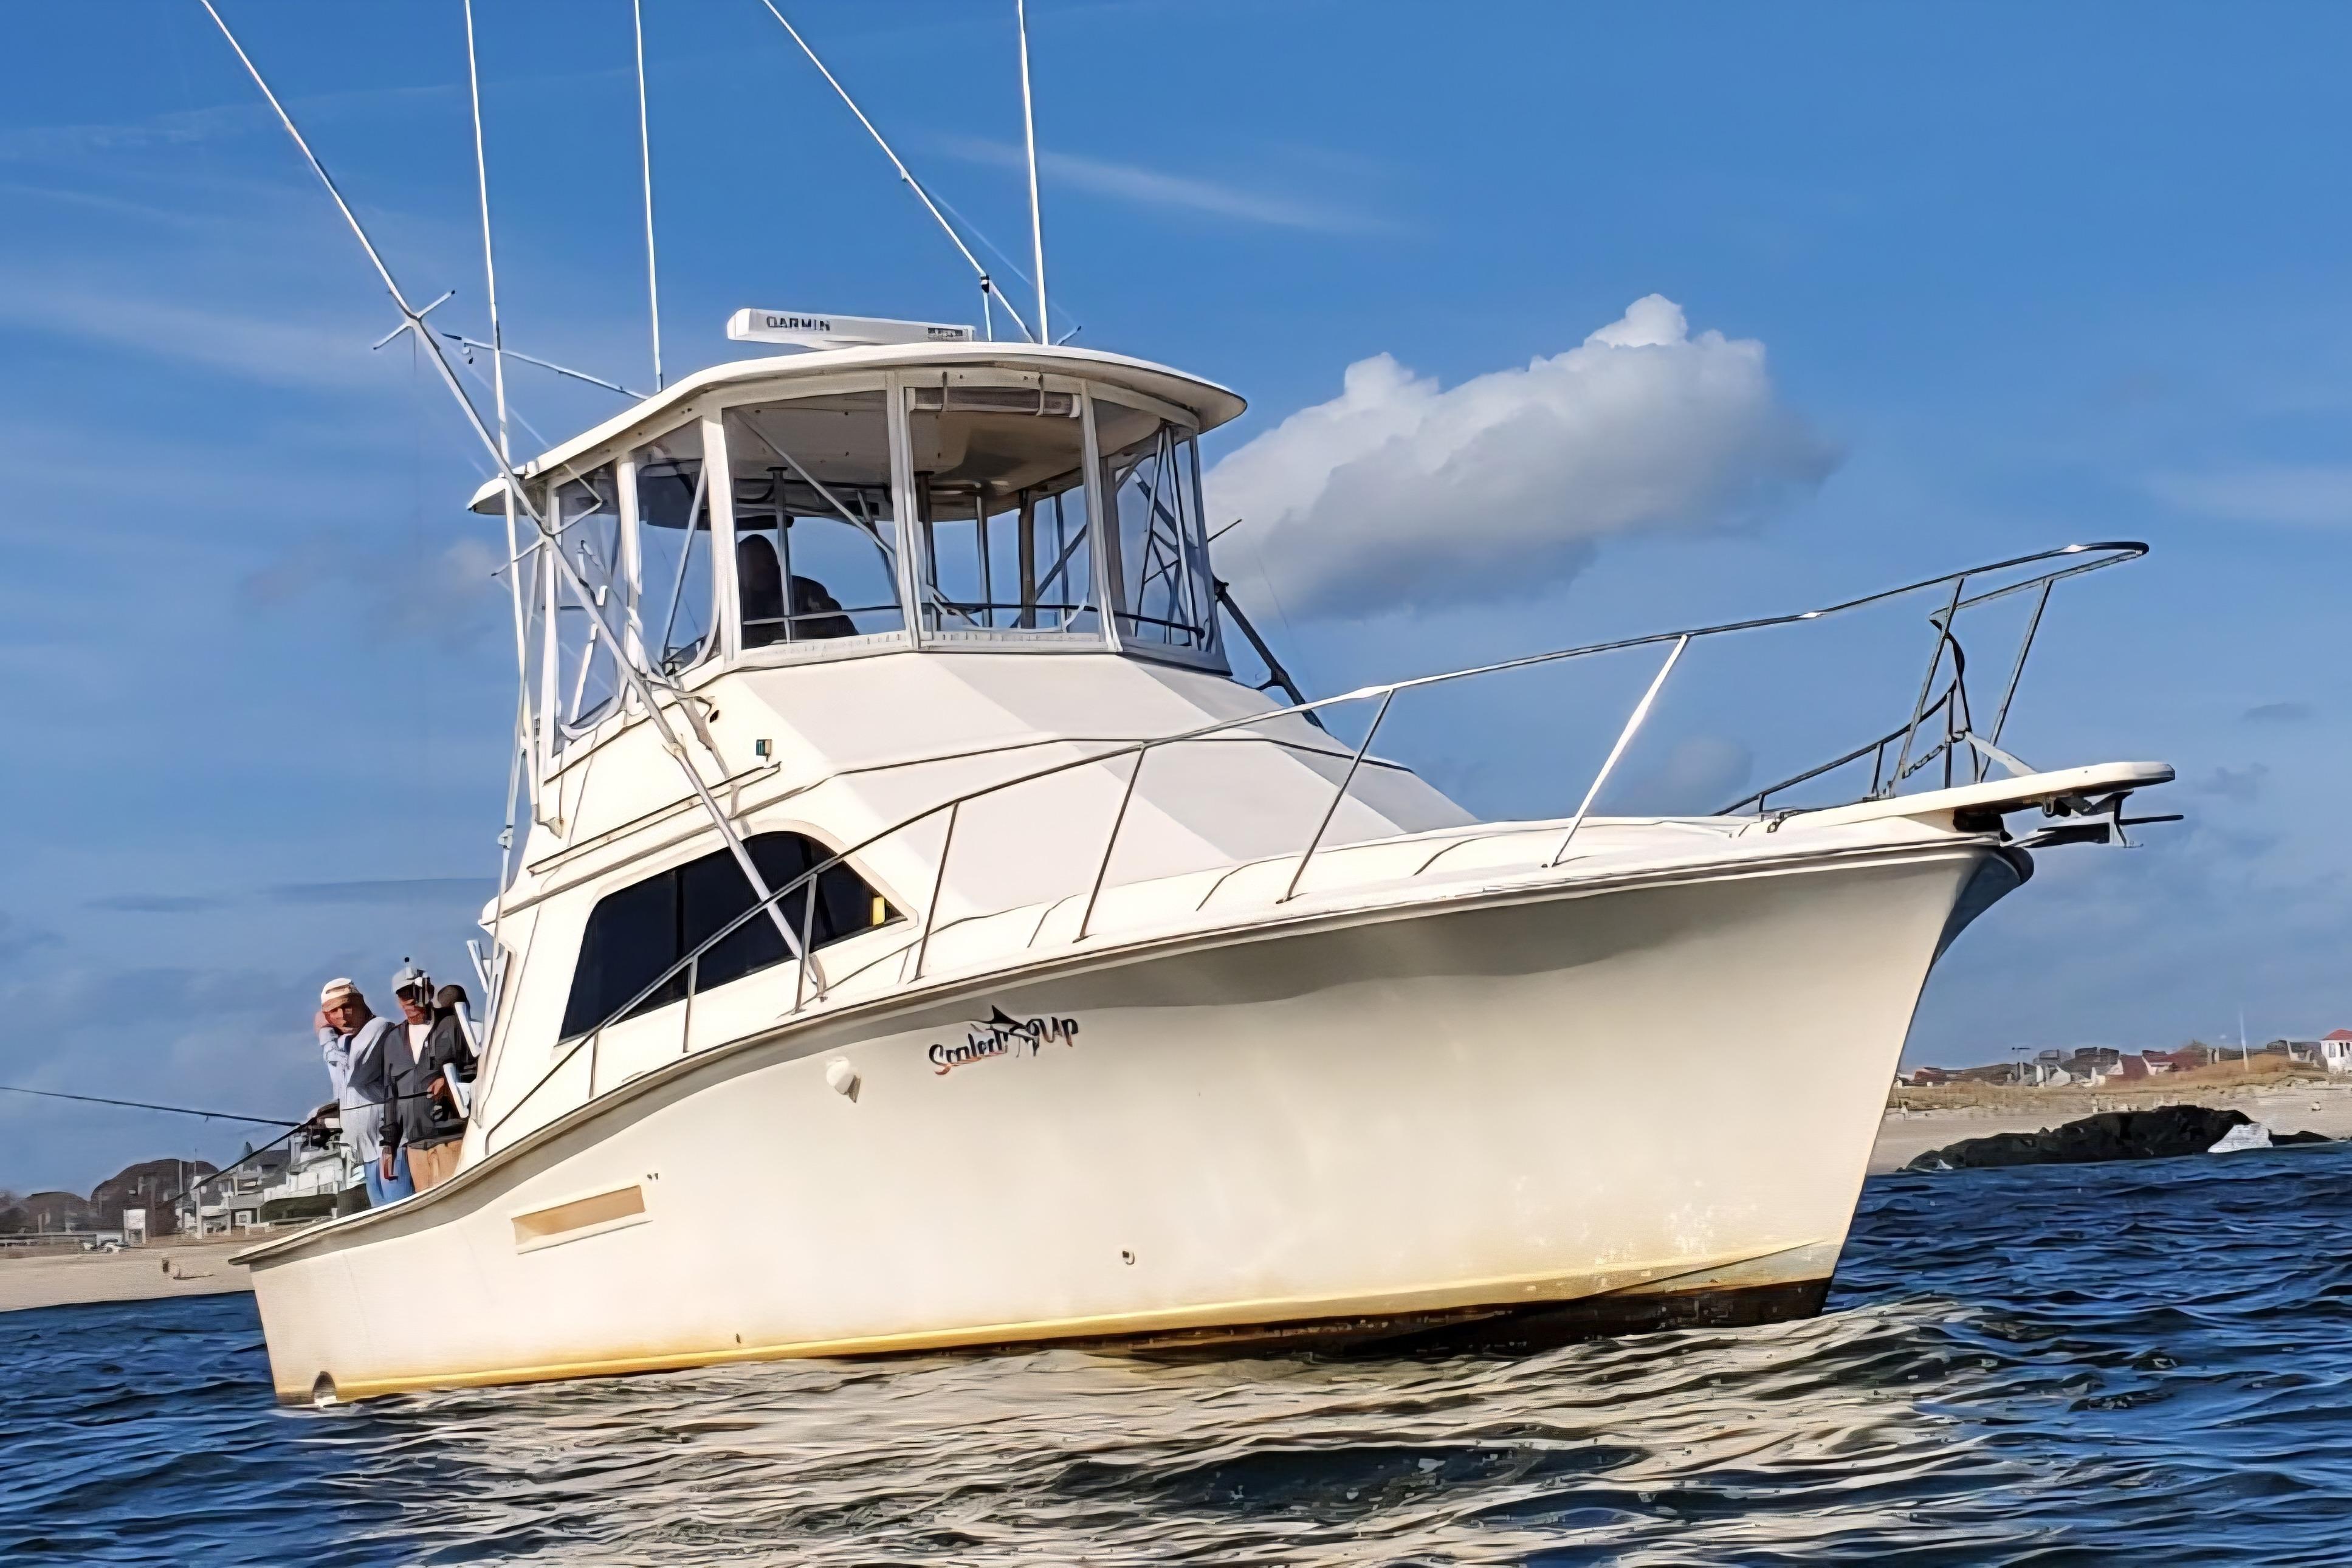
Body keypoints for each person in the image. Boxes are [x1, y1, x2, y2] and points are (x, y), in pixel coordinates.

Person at [317, 978, 412, 1208]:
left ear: (361, 1004)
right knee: (380, 1212)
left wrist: (327, 1041)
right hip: (364, 1151)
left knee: (399, 1208)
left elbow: (355, 1075)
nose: (342, 1015)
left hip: (391, 1143)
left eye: (348, 1006)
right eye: (333, 1011)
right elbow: (340, 1092)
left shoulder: (379, 1026)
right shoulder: (343, 1041)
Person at [383, 969, 477, 1194]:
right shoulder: (392, 1040)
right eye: (405, 995)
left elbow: (478, 1069)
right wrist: (389, 1146)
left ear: (430, 991)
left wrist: (449, 1081)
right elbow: (390, 1097)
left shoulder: (454, 1025)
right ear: (398, 1001)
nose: (411, 1000)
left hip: (453, 1137)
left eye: (417, 992)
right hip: (415, 1145)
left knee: (456, 1202)